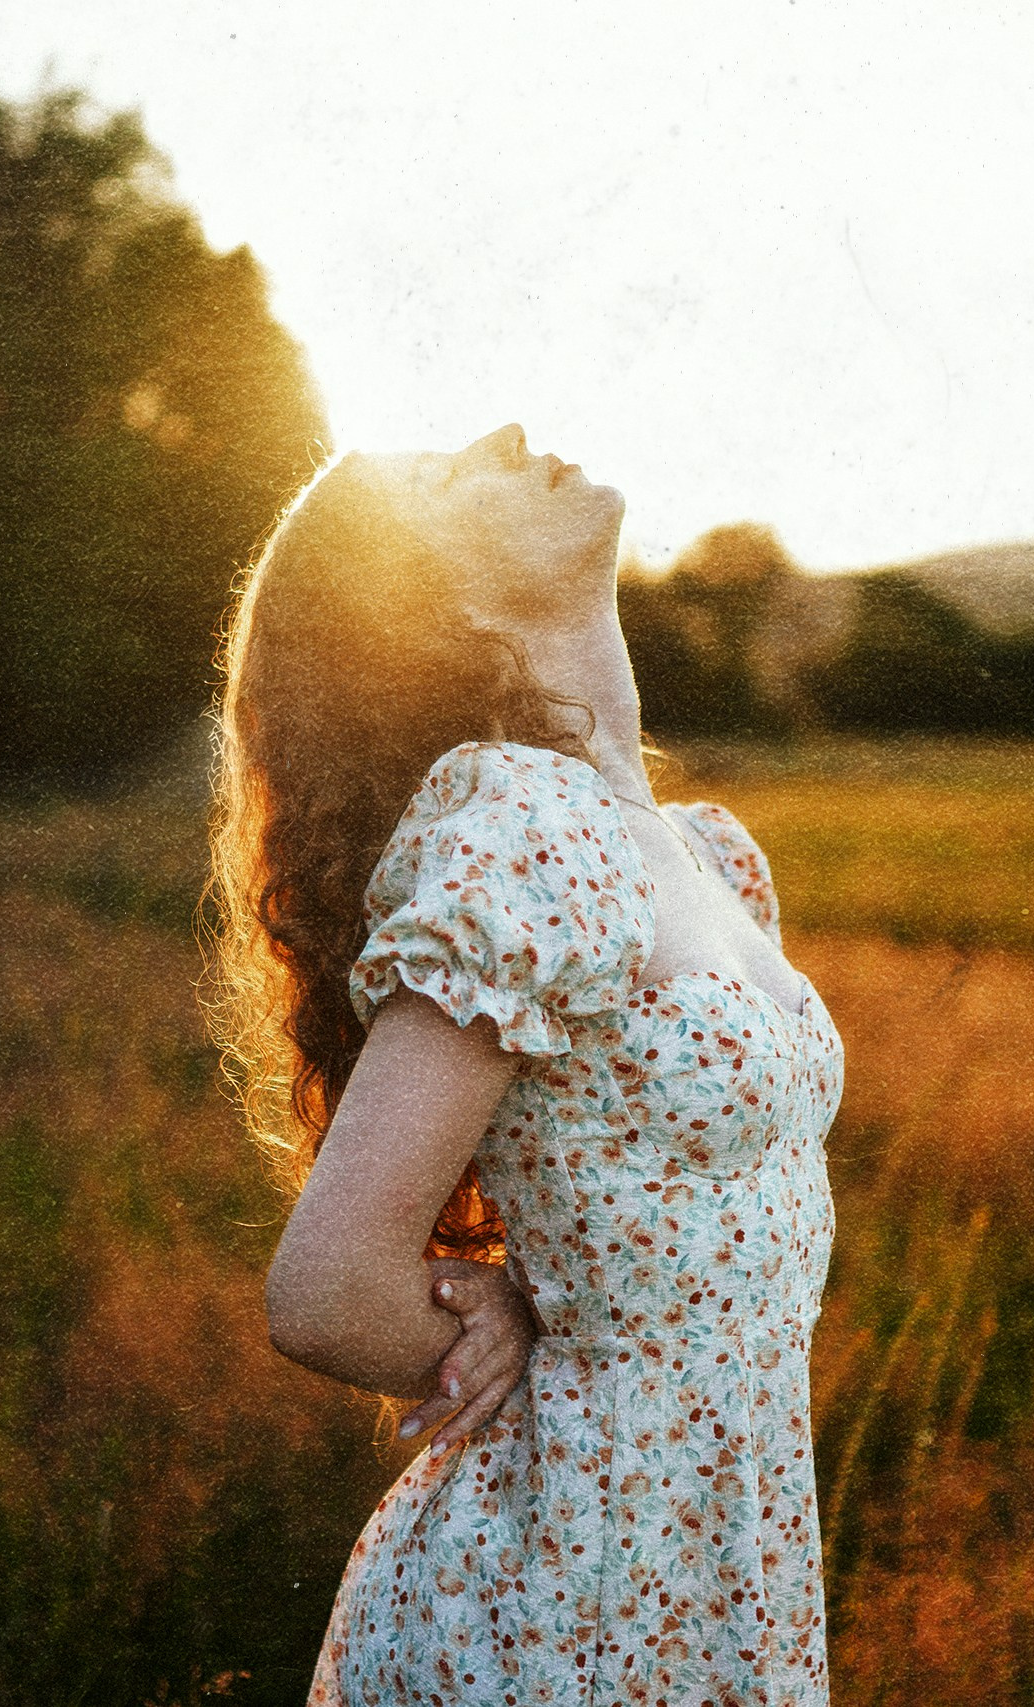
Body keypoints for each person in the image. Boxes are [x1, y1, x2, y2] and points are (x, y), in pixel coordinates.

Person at [206, 423, 843, 1705]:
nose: (503, 434)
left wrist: (533, 1299)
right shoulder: (521, 830)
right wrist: (487, 1327)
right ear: (420, 607)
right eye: (446, 475)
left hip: (728, 1568)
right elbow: (325, 1290)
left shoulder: (706, 856)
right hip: (565, 1601)